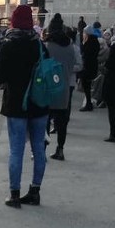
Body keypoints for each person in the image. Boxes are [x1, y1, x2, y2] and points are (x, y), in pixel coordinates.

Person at [0, 5, 49, 208]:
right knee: (38, 150)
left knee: (16, 150)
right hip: (39, 103)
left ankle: (14, 195)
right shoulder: (39, 45)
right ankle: (35, 192)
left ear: (14, 21)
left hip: (16, 104)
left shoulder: (9, 44)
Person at [44, 14, 77, 160]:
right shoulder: (70, 46)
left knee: (44, 121)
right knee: (61, 122)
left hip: (48, 88)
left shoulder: (46, 46)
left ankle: (41, 151)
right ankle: (60, 149)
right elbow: (74, 65)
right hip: (64, 87)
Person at [79, 25, 100, 111]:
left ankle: (88, 103)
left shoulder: (88, 42)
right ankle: (88, 103)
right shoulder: (95, 41)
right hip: (93, 65)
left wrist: (83, 44)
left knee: (86, 86)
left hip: (87, 66)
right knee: (88, 86)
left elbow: (85, 53)